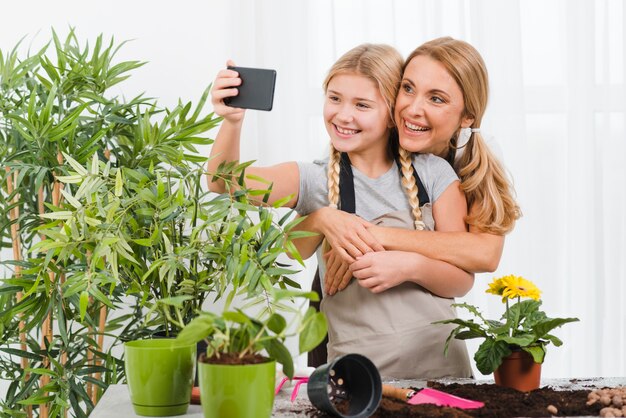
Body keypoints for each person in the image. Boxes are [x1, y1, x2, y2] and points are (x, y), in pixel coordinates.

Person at [207, 43, 473, 378]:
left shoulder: (434, 174)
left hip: (442, 366)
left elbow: (462, 280)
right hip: (359, 377)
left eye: (362, 104)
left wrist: (408, 266)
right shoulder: (314, 180)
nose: (343, 115)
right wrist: (232, 121)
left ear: (393, 114)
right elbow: (222, 181)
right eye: (334, 98)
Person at [303, 37, 521, 298]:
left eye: (436, 99)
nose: (413, 109)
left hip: (412, 309)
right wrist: (322, 219)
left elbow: (484, 254)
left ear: (467, 117)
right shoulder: (370, 141)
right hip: (340, 295)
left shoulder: (472, 163)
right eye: (407, 88)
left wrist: (371, 235)